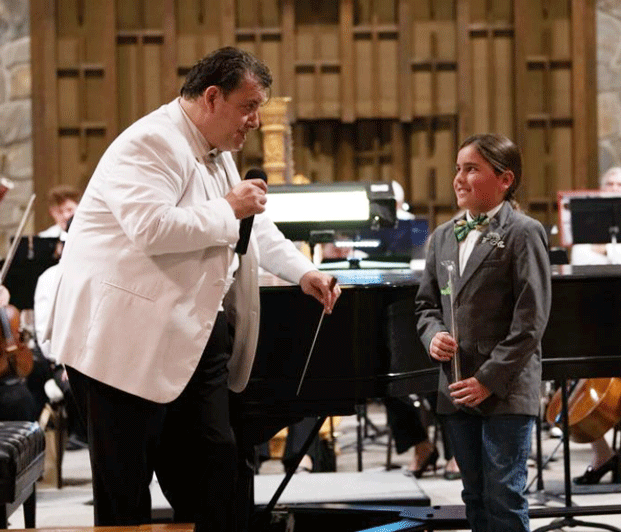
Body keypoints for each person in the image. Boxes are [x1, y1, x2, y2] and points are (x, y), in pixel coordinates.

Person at [43, 47, 340, 530]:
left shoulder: (216, 150)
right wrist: (228, 207)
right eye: (248, 106)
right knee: (126, 496)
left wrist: (301, 271)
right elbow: (152, 228)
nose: (255, 121)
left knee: (216, 478)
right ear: (211, 97)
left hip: (192, 338)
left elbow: (254, 227)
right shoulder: (150, 142)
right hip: (122, 348)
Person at [416, 133, 551, 532]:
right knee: (473, 495)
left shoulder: (524, 233)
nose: (459, 178)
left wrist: (488, 380)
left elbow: (531, 320)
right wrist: (432, 335)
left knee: (503, 496)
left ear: (505, 179)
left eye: (471, 169)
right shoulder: (442, 236)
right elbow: (425, 306)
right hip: (455, 387)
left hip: (504, 389)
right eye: (458, 169)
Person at [569, 166, 621, 485]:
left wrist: (610, 249)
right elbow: (578, 265)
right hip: (593, 326)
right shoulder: (584, 231)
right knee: (572, 375)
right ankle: (602, 452)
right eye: (609, 183)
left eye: (620, 184)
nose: (615, 187)